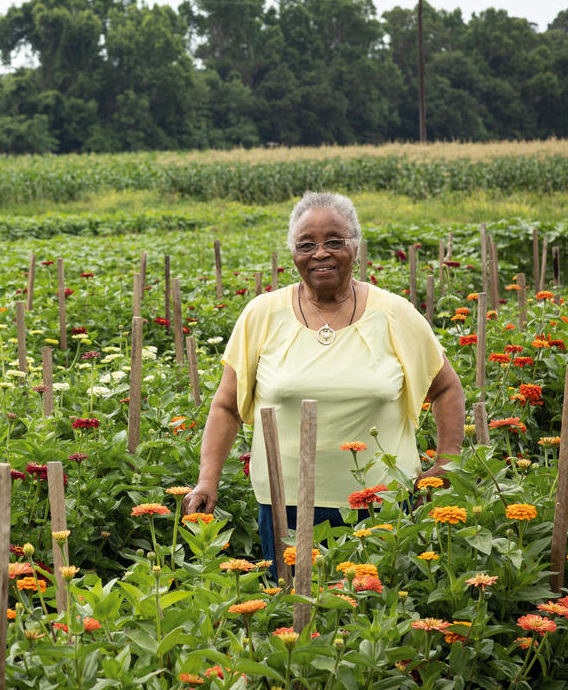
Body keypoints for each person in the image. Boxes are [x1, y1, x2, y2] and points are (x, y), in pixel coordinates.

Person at [183, 191, 464, 566]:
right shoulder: (262, 315)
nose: (320, 253)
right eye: (307, 244)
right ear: (293, 253)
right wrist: (207, 479)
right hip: (285, 505)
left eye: (335, 241)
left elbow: (446, 388)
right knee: (291, 613)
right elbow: (226, 406)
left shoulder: (395, 314)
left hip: (385, 504)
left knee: (372, 609)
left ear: (356, 247)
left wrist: (445, 465)